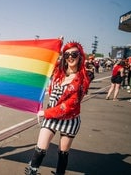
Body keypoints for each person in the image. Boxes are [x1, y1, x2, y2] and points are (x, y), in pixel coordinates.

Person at [25, 42, 91, 175]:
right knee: (40, 147)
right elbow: (47, 60)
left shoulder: (82, 80)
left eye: (74, 54)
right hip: (52, 117)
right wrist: (56, 46)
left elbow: (68, 106)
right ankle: (32, 171)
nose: (70, 57)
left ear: (80, 57)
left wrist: (45, 112)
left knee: (63, 152)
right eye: (67, 54)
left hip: (70, 119)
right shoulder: (58, 71)